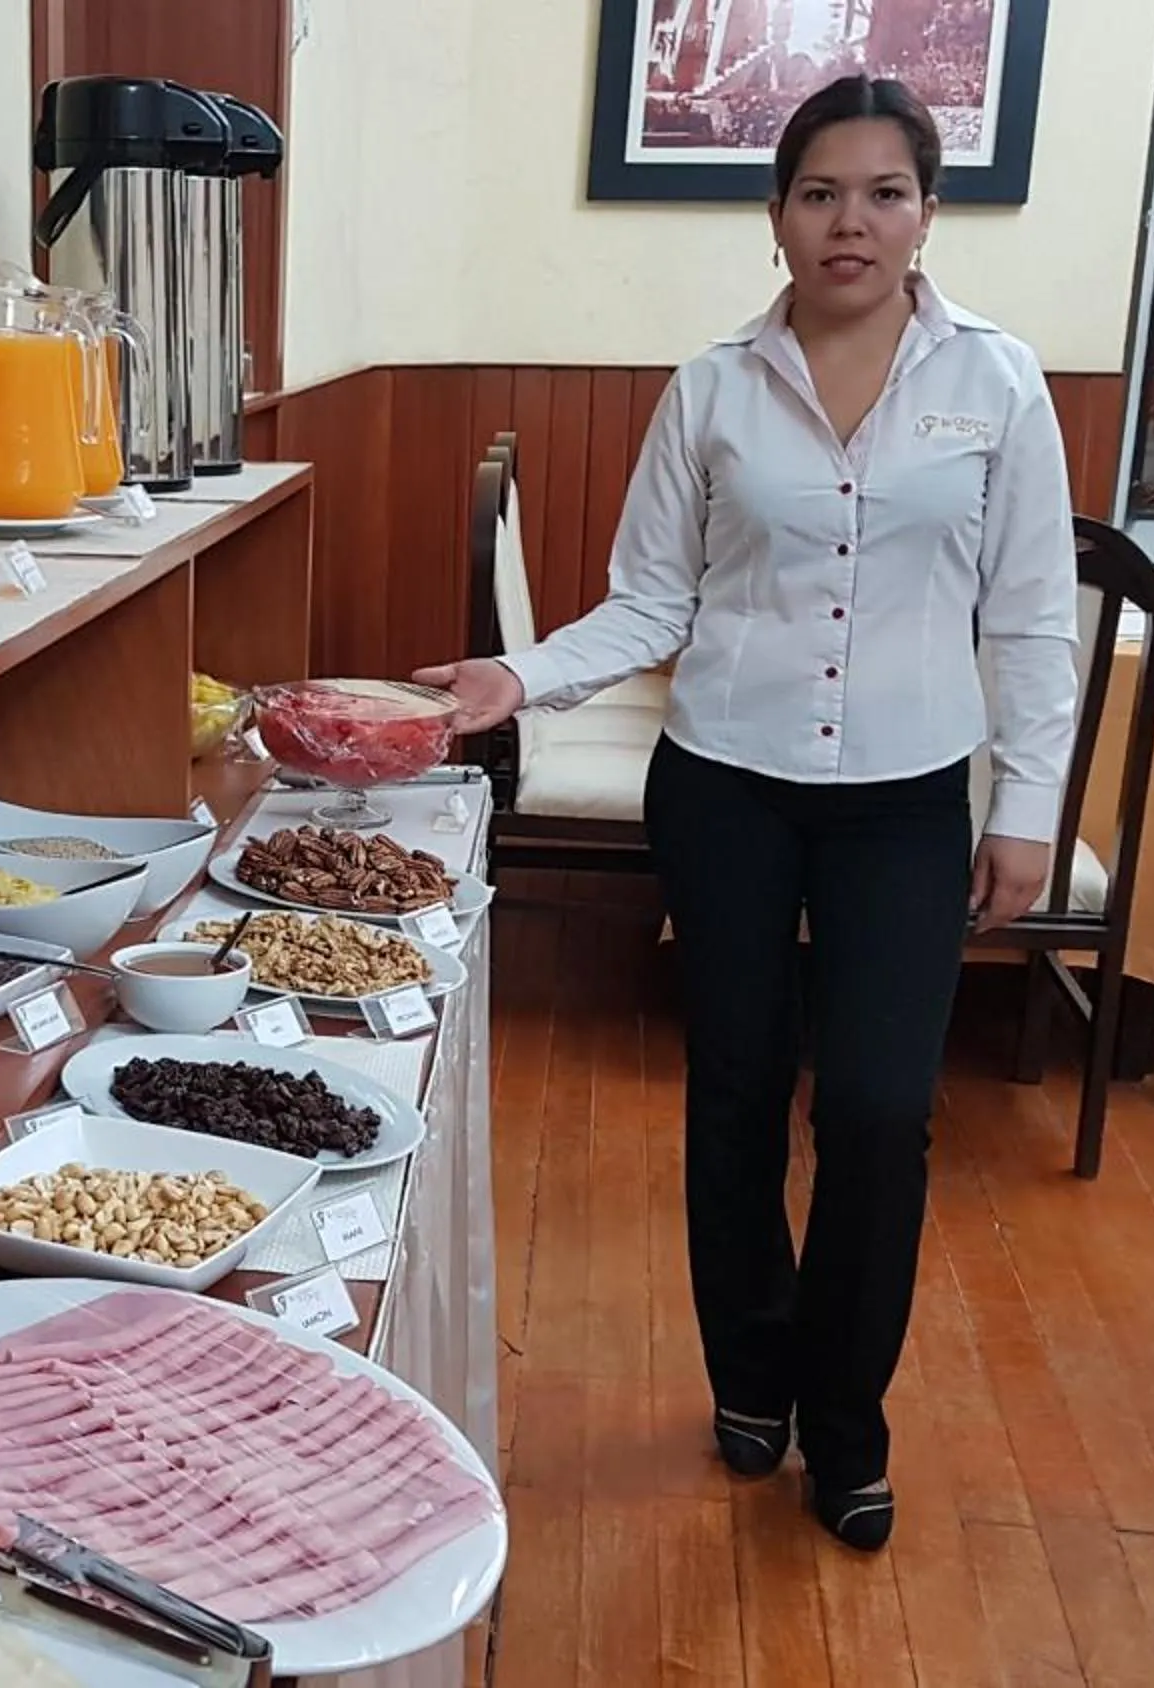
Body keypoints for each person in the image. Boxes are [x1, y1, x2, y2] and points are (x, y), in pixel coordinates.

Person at [418, 75, 1075, 1551]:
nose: (852, 222)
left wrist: (1024, 807)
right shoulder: (714, 388)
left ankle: (848, 1423)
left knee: (881, 1112)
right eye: (821, 193)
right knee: (732, 1093)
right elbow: (655, 597)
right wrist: (518, 678)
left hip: (905, 801)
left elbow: (1033, 617)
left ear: (927, 212)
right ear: (775, 214)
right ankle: (751, 1376)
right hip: (724, 786)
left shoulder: (997, 386)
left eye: (885, 192)